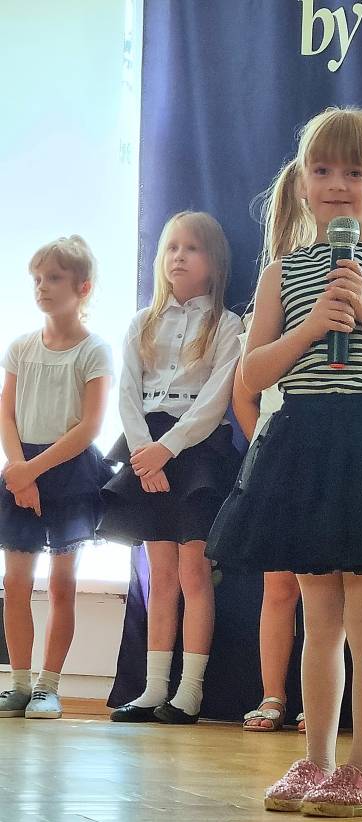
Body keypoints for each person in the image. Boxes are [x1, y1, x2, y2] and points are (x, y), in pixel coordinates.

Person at [206, 107, 362, 817]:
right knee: (317, 617)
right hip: (305, 444)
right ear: (301, 185)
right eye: (322, 170)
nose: (338, 184)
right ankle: (317, 758)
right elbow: (253, 373)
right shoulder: (282, 273)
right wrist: (313, 325)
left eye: (355, 171)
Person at [100, 211, 242, 725]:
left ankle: (190, 691)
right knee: (160, 574)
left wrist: (169, 449)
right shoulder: (142, 322)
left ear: (215, 263)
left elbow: (216, 399)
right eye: (172, 248)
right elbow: (127, 393)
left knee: (194, 571)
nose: (179, 257)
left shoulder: (227, 324)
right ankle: (153, 687)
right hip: (147, 451)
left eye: (192, 248)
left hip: (196, 451)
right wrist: (144, 454)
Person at [0, 235, 113, 720]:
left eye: (54, 278)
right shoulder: (21, 348)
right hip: (21, 470)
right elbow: (6, 414)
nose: (42, 287)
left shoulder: (94, 350)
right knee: (16, 581)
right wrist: (19, 472)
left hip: (69, 472)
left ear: (82, 287)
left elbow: (89, 426)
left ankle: (49, 686)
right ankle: (19, 684)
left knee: (63, 583)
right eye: (37, 279)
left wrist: (33, 470)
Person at [232, 330, 305, 734]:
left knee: (332, 592)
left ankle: (321, 701)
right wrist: (265, 446)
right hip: (276, 459)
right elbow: (244, 397)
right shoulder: (262, 321)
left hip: (332, 453)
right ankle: (272, 695)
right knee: (278, 587)